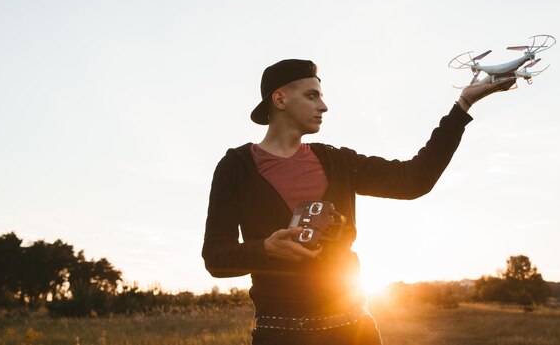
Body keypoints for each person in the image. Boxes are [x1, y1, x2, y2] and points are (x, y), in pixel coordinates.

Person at [202, 59, 515, 345]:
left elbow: (414, 180)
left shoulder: (338, 161)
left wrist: (463, 106)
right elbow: (215, 257)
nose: (323, 106)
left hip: (354, 332)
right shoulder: (236, 167)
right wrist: (264, 250)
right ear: (280, 99)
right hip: (279, 335)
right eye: (312, 96)